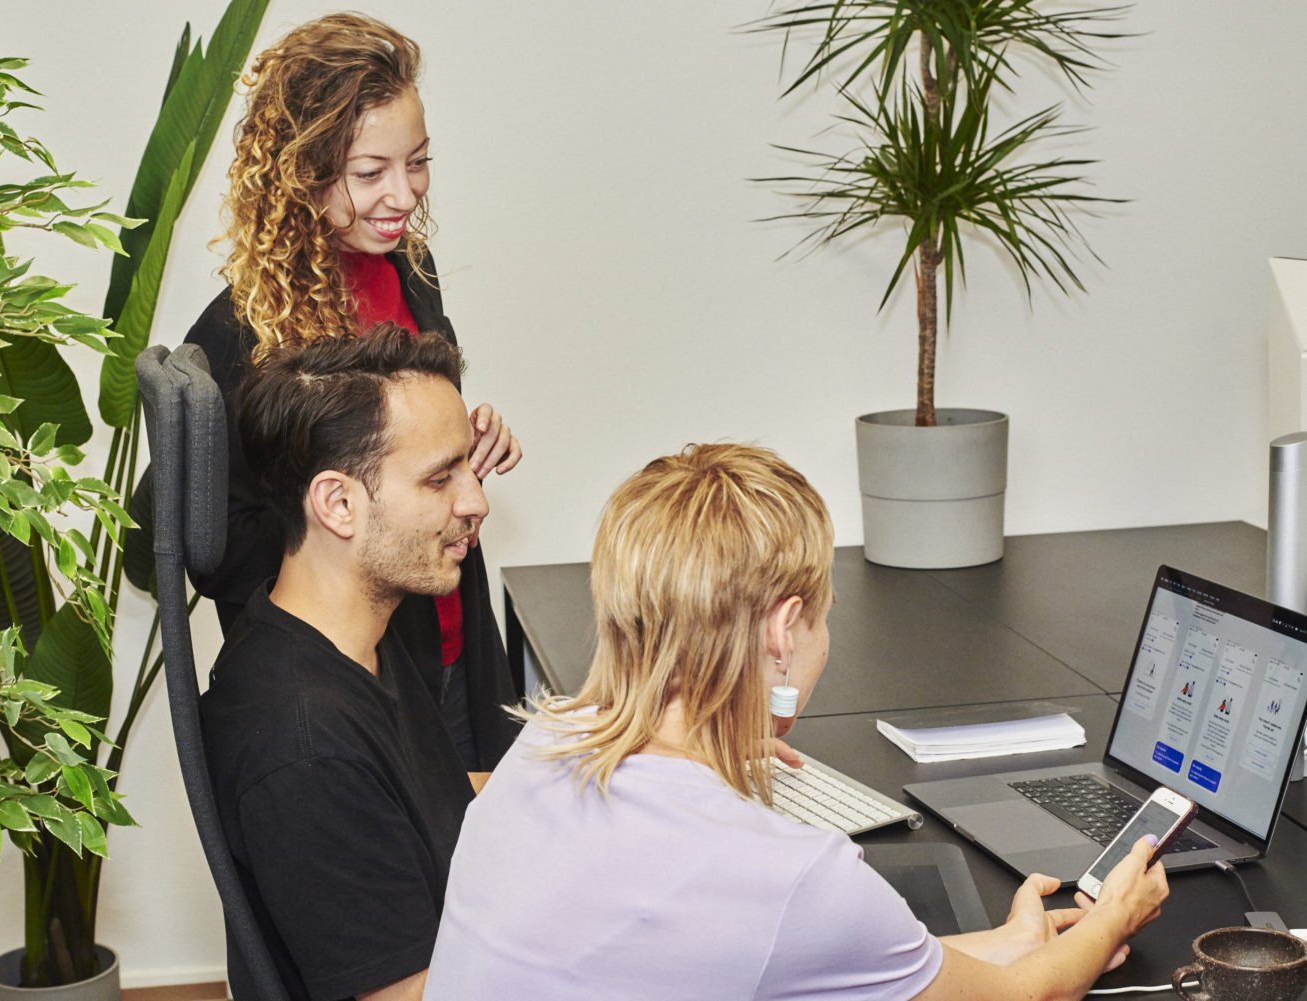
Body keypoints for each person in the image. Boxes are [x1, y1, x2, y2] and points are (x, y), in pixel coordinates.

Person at [424, 443, 1170, 1001]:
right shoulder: (789, 871)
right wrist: (1114, 916)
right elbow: (1028, 996)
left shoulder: (542, 744)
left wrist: (1006, 942)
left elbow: (786, 955)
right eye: (823, 615)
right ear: (782, 630)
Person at [186, 12, 519, 771]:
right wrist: (363, 525)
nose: (402, 194)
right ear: (301, 170)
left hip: (452, 646)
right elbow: (220, 556)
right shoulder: (243, 337)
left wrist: (458, 447)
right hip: (366, 687)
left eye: (419, 163)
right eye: (370, 173)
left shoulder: (412, 274)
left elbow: (405, 440)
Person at [202, 328, 487, 1001]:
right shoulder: (305, 746)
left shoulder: (358, 638)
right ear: (338, 504)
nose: (474, 501)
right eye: (441, 477)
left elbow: (430, 798)